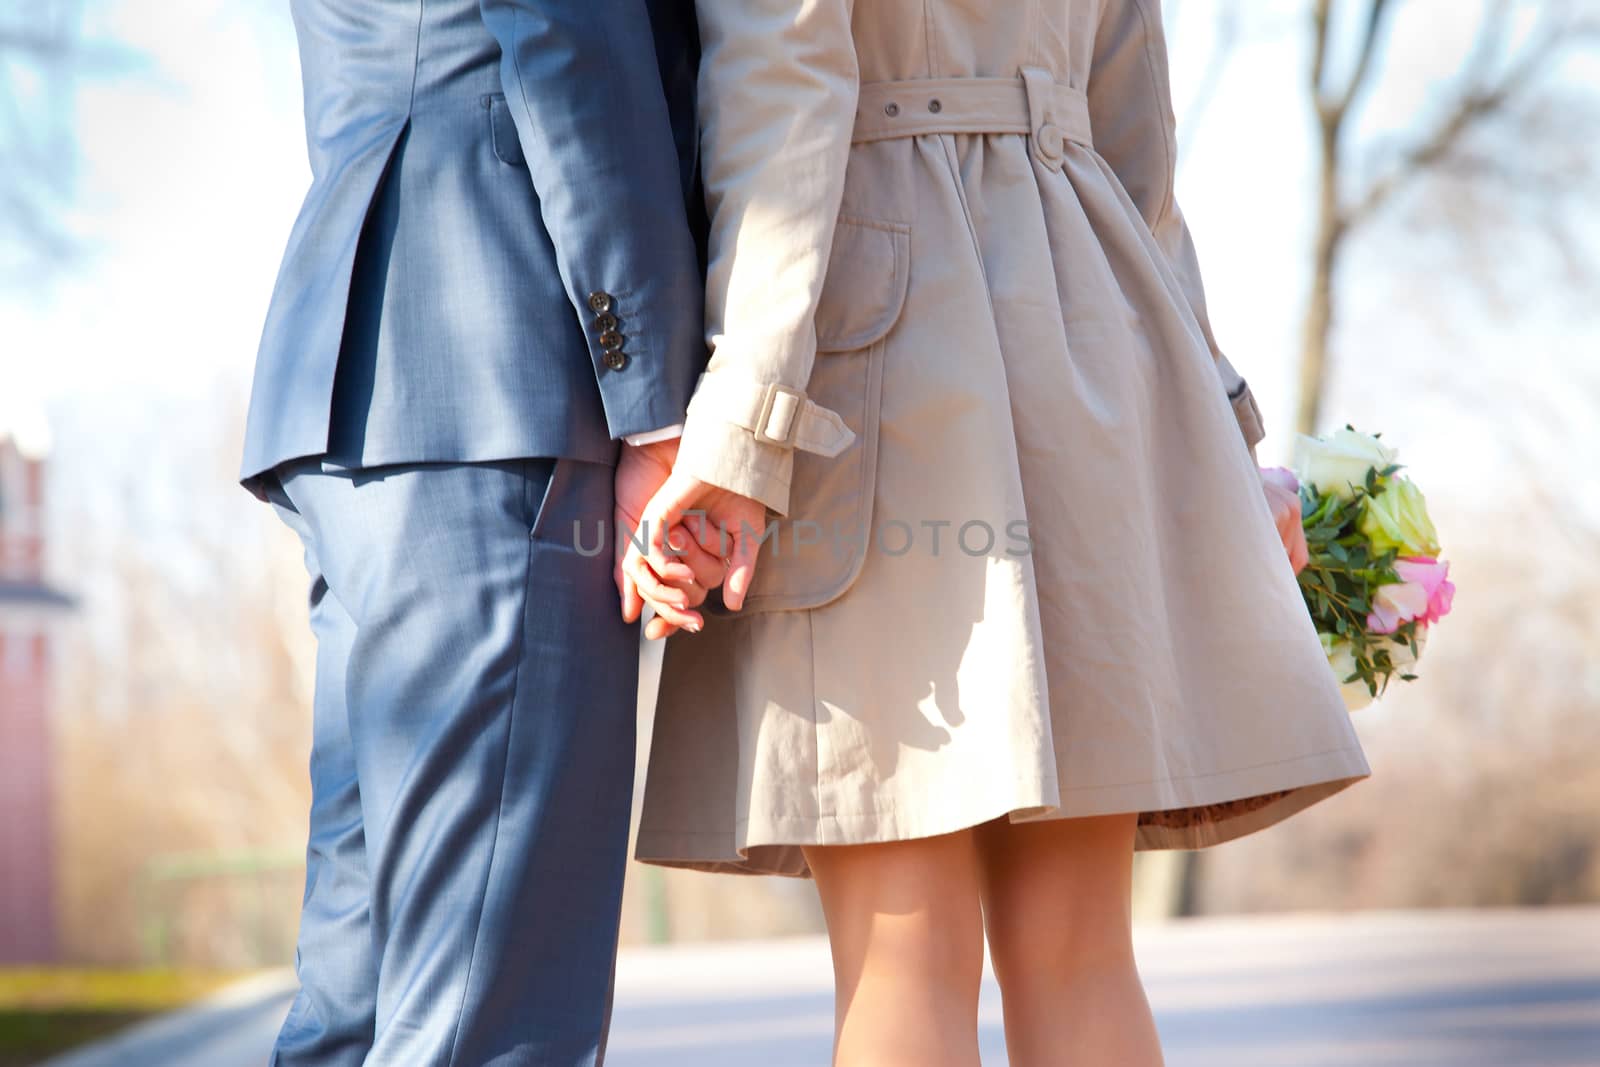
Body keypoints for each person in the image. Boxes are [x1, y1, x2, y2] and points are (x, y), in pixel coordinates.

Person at [624, 1, 1373, 1065]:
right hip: (1088, 321)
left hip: (871, 337)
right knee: (1080, 952)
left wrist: (743, 425)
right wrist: (1219, 417)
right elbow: (1136, 141)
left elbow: (780, 85)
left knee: (905, 954)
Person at [237, 0, 719, 1062]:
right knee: (488, 1010)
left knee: (356, 1005)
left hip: (367, 383)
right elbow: (570, 48)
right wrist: (651, 399)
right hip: (494, 367)